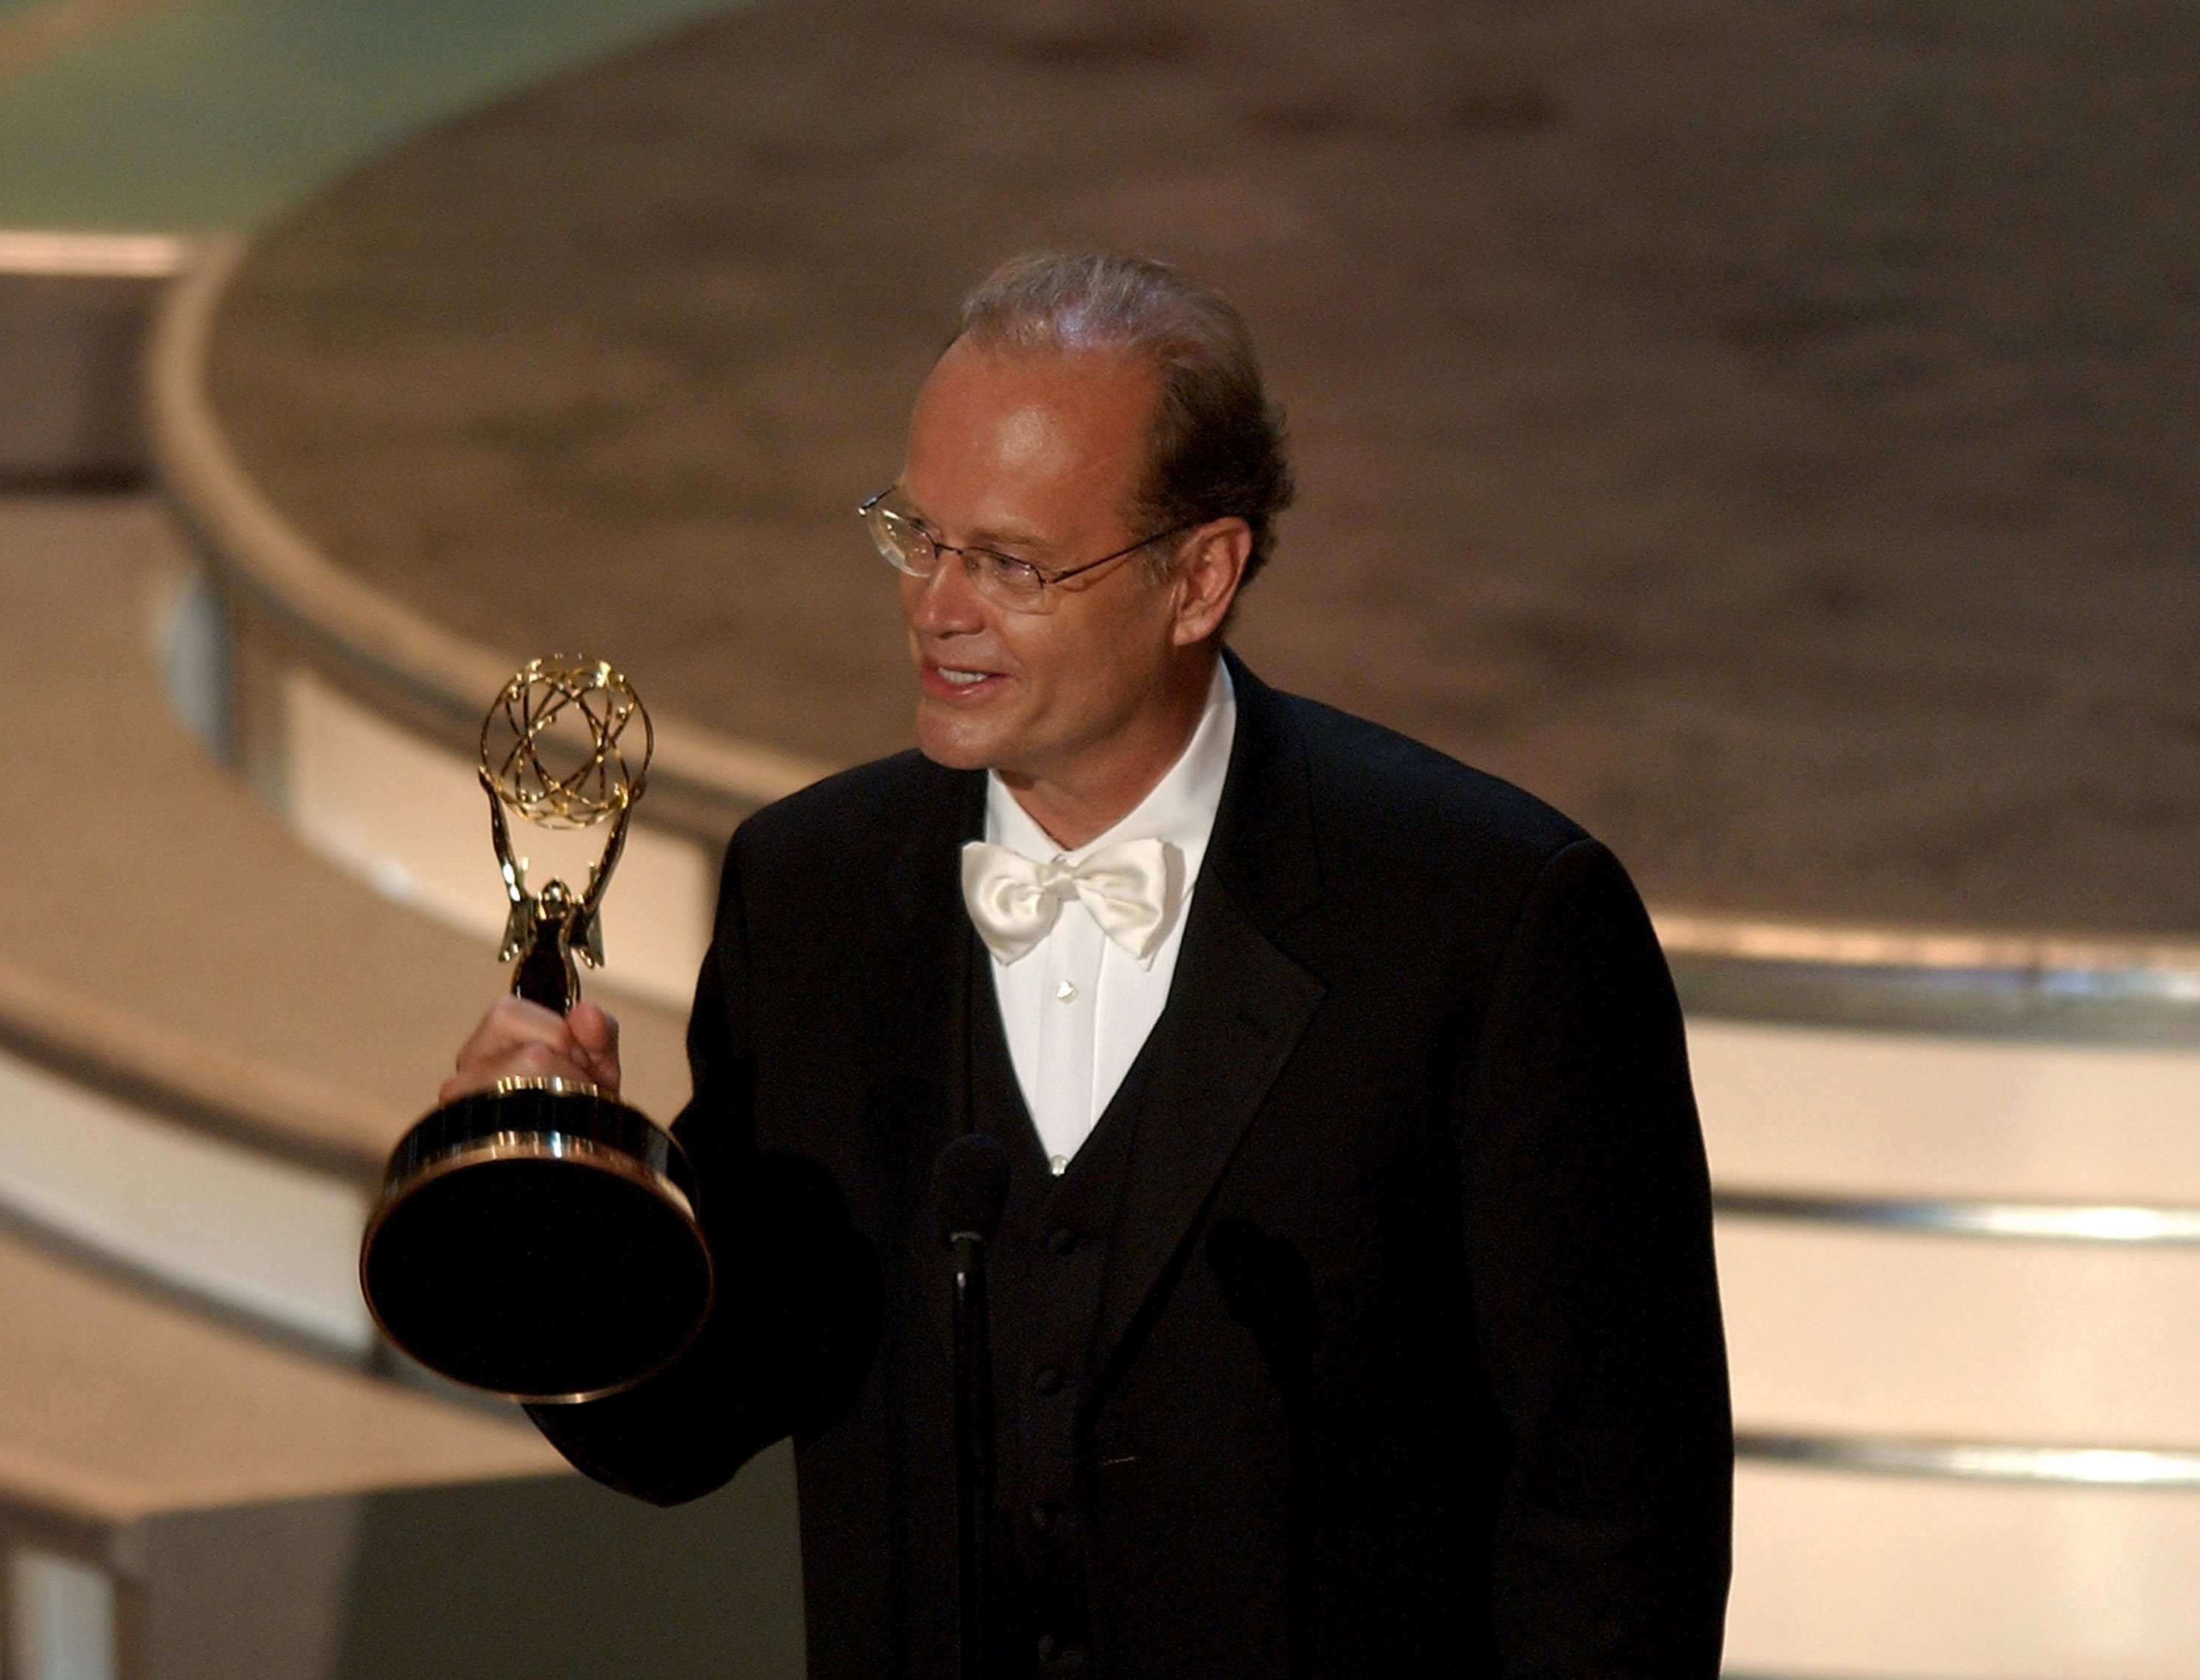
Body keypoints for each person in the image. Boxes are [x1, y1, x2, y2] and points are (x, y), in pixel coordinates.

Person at [444, 252, 1732, 1677]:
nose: (936, 606)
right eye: (915, 537)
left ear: (1199, 577)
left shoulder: (1489, 925)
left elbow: (1618, 1523)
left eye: (1010, 561)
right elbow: (693, 1415)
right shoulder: (811, 896)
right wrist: (557, 1196)